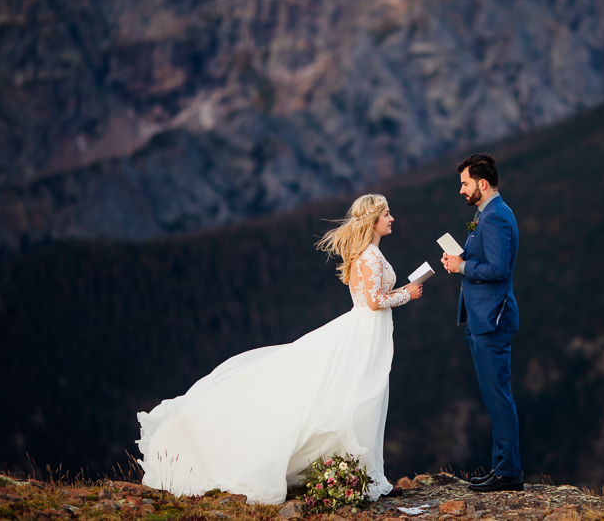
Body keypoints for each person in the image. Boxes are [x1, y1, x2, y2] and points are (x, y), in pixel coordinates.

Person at [136, 194, 423, 504]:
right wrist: (407, 293)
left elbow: (374, 296)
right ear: (373, 220)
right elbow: (373, 302)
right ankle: (367, 476)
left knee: (364, 400)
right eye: (386, 214)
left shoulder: (368, 254)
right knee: (361, 399)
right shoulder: (368, 256)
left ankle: (368, 474)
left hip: (368, 332)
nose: (392, 218)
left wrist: (401, 291)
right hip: (363, 334)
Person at [440, 153, 522, 492]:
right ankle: (501, 468)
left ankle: (508, 473)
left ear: (482, 184)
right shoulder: (486, 213)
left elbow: (499, 270)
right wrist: (461, 259)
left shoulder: (496, 217)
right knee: (493, 395)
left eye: (465, 183)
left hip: (492, 319)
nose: (461, 190)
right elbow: (487, 260)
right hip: (481, 317)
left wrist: (461, 268)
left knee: (498, 395)